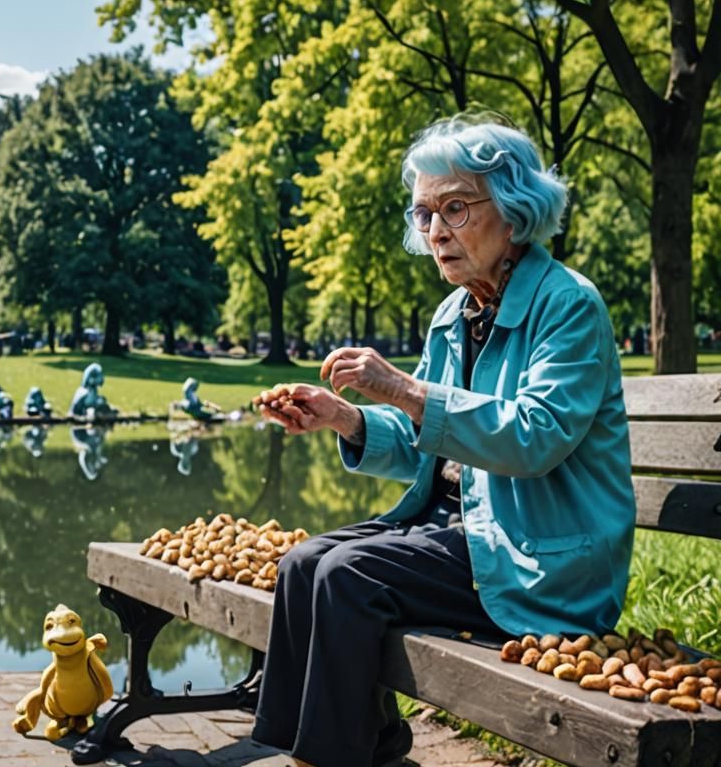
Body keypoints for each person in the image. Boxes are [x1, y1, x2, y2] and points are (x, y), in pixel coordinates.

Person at [250, 115, 634, 767]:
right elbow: (430, 441)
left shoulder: (568, 305)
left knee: (348, 577)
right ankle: (366, 741)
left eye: (455, 207)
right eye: (424, 213)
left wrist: (403, 389)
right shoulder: (453, 314)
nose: (434, 232)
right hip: (460, 530)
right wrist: (342, 418)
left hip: (537, 556)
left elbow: (533, 438)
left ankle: (327, 758)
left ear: (514, 208)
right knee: (303, 564)